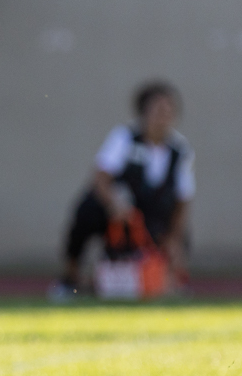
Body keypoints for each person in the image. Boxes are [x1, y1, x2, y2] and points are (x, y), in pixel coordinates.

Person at [52, 81, 194, 301]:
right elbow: (100, 177)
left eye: (169, 110)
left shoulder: (180, 150)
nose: (163, 116)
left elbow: (183, 199)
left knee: (181, 235)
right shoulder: (124, 138)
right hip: (119, 211)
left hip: (153, 214)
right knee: (86, 212)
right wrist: (114, 203)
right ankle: (70, 278)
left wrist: (174, 238)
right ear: (143, 113)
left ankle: (172, 280)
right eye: (157, 109)